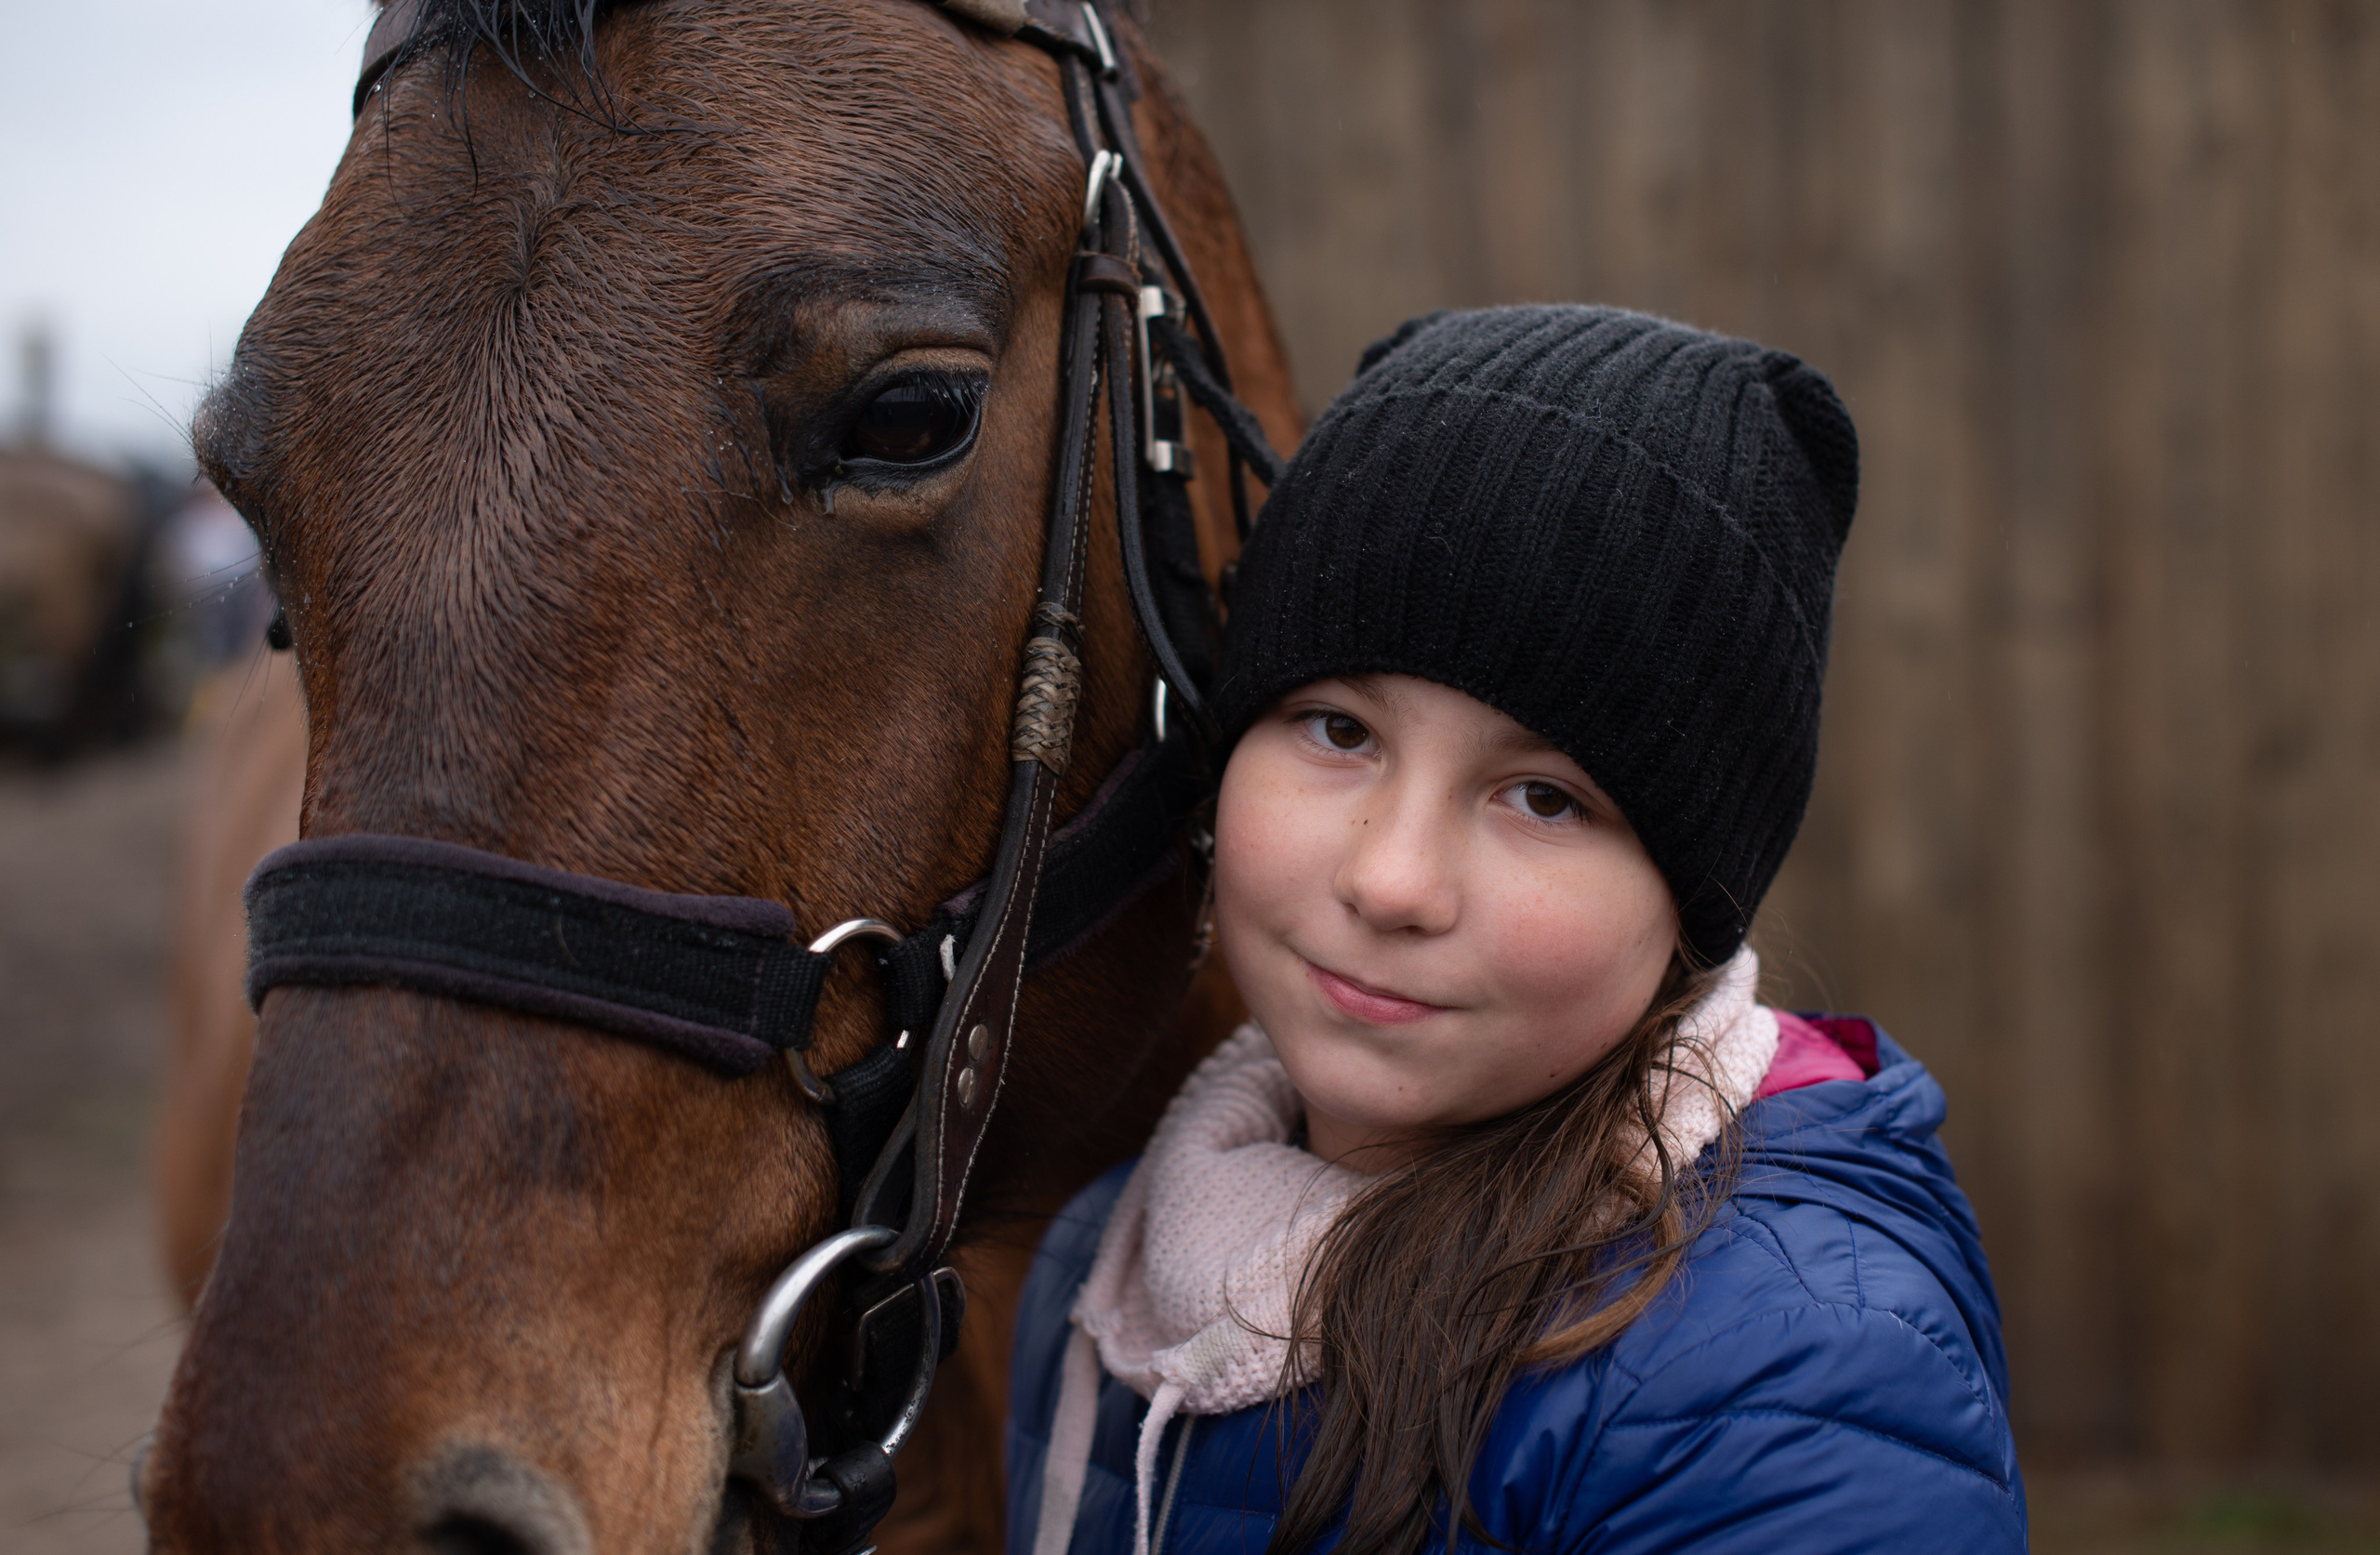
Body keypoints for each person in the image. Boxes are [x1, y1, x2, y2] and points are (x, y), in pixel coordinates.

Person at [1003, 307, 2025, 1554]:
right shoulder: (1108, 1263)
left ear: (1689, 901)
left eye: (1544, 797)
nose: (1391, 879)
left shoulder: (1778, 1371)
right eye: (1337, 728)